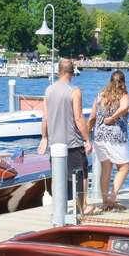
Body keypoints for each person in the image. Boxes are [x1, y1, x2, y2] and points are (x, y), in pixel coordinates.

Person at [39, 58, 92, 203]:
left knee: (57, 177)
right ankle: (81, 206)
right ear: (72, 73)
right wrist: (87, 139)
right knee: (81, 175)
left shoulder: (48, 90)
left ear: (58, 72)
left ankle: (59, 207)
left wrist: (44, 137)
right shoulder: (74, 91)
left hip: (55, 144)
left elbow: (45, 117)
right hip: (72, 143)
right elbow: (78, 118)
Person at [88, 70, 129, 210]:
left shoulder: (100, 95)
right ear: (123, 82)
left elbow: (92, 117)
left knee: (106, 168)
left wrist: (87, 135)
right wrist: (113, 118)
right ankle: (112, 197)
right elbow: (124, 107)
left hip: (99, 136)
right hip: (115, 137)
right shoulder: (124, 95)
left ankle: (105, 201)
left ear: (110, 81)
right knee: (124, 167)